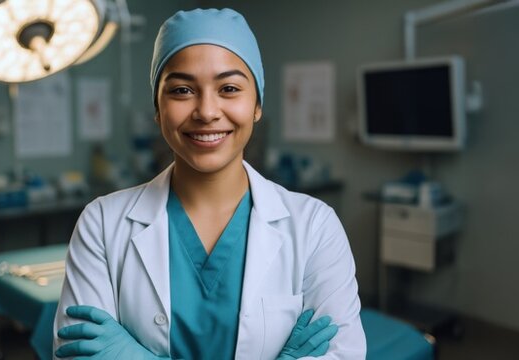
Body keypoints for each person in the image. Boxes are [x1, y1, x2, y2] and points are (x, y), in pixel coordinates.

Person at [52, 8, 366, 359]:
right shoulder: (102, 224)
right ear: (157, 108)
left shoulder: (314, 226)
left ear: (257, 105)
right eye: (182, 90)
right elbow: (75, 353)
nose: (206, 111)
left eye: (229, 88)